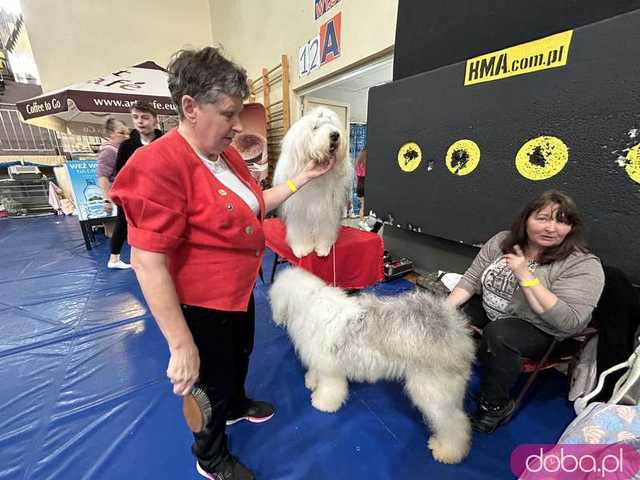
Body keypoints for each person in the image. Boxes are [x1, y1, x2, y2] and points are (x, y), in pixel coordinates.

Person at [110, 47, 336, 480]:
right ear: (190, 107)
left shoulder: (225, 155)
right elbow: (147, 262)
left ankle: (234, 405)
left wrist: (301, 179)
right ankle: (210, 455)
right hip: (201, 303)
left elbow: (254, 205)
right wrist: (180, 344)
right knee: (206, 382)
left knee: (239, 356)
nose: (238, 125)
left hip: (238, 290)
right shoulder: (159, 164)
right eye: (229, 113)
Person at [446, 190, 605, 433]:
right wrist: (440, 312)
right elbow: (470, 280)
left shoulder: (582, 264)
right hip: (493, 310)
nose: (551, 228)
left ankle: (495, 405)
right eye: (542, 218)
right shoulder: (503, 241)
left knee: (499, 334)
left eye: (561, 221)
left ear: (571, 227)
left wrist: (524, 274)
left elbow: (570, 322)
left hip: (542, 329)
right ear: (526, 219)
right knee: (449, 312)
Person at [107, 102, 163, 269]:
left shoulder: (166, 141)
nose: (140, 121)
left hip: (160, 194)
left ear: (155, 120)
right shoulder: (127, 145)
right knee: (125, 222)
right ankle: (115, 258)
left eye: (145, 117)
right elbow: (121, 173)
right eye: (136, 117)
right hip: (134, 194)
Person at [96, 118, 129, 217]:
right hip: (118, 201)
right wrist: (107, 200)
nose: (126, 136)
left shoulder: (121, 150)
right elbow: (102, 176)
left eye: (127, 133)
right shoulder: (109, 151)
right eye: (122, 133)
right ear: (111, 134)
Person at [355, 147, 367, 226]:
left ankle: (361, 222)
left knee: (362, 205)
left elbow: (356, 176)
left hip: (359, 184)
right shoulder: (366, 162)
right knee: (365, 206)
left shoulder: (358, 162)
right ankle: (363, 223)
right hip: (365, 184)